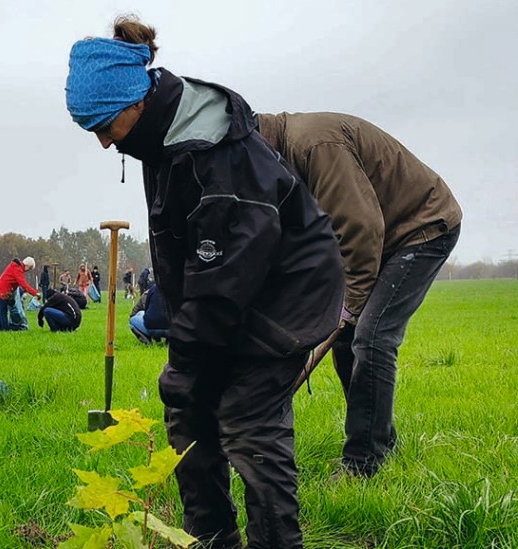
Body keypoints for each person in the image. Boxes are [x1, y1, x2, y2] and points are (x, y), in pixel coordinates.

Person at [66, 17, 344, 548]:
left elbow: (225, 276)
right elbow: (188, 254)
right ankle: (212, 539)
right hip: (237, 286)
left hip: (286, 291)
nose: (103, 143)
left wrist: (187, 359)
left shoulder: (213, 152)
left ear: (134, 102)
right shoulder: (157, 138)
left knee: (247, 420)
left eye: (104, 126)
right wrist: (184, 356)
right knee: (187, 414)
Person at [257, 111, 462, 478]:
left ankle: (364, 463)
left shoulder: (314, 145)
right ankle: (380, 439)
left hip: (422, 227)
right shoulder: (284, 156)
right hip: (385, 236)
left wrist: (349, 305)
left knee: (372, 338)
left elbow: (361, 229)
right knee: (345, 340)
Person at [0, 257, 40, 331]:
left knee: (1, 312)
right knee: (3, 312)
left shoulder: (15, 266)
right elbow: (23, 284)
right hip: (3, 291)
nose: (27, 271)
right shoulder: (18, 269)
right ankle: (5, 330)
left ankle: (3, 329)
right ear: (26, 265)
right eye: (29, 269)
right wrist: (35, 293)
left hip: (0, 290)